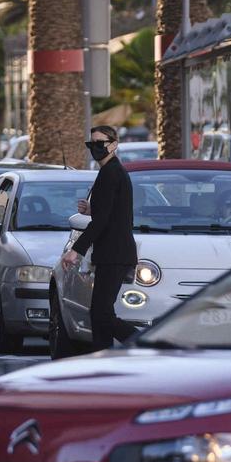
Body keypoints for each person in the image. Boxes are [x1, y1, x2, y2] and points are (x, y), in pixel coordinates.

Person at [60, 125, 138, 351]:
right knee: (100, 313)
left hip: (115, 254)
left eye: (100, 143)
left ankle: (145, 343)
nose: (95, 148)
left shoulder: (111, 173)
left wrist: (76, 250)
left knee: (101, 313)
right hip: (112, 253)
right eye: (91, 144)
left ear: (113, 145)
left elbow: (103, 221)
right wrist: (91, 210)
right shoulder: (111, 171)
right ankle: (103, 357)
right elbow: (112, 212)